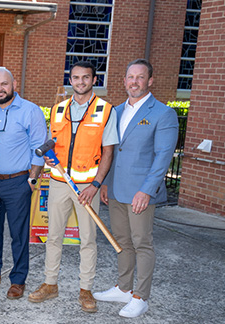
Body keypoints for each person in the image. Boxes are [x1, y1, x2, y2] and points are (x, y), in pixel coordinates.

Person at [26, 61, 118, 312]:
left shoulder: (106, 110)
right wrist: (48, 157)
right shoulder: (58, 110)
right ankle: (50, 284)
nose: (80, 82)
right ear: (71, 80)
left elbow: (108, 153)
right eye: (75, 78)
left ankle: (85, 289)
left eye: (85, 78)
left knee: (88, 239)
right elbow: (51, 143)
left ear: (93, 80)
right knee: (53, 236)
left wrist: (96, 184)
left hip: (87, 187)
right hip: (59, 182)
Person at [95, 59, 178, 318]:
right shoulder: (116, 111)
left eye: (140, 77)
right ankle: (123, 287)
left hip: (141, 193)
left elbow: (163, 156)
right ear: (124, 81)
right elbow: (111, 152)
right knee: (122, 241)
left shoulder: (163, 113)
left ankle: (140, 297)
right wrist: (106, 184)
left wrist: (147, 190)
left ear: (150, 81)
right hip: (117, 190)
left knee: (142, 243)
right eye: (130, 77)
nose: (134, 82)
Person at [0, 68, 47, 301]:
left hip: (18, 182)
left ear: (14, 83)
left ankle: (18, 279)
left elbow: (39, 148)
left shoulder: (30, 111)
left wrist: (32, 181)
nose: (0, 89)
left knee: (19, 234)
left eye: (4, 84)